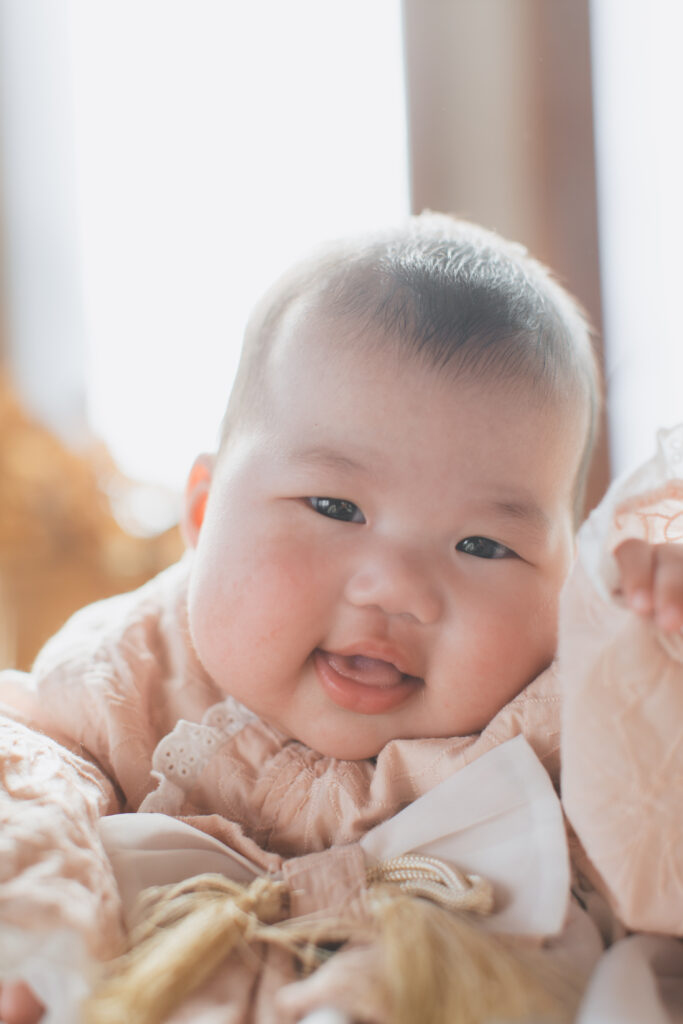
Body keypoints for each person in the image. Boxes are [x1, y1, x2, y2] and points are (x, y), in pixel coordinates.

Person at [0, 214, 681, 1024]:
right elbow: (27, 786)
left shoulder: (568, 713)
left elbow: (654, 850)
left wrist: (653, 645)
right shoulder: (130, 675)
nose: (397, 588)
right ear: (205, 513)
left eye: (482, 544)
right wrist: (32, 927)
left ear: (565, 583)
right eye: (334, 506)